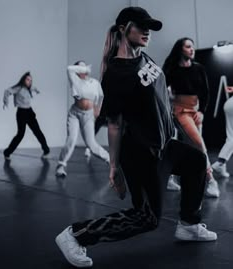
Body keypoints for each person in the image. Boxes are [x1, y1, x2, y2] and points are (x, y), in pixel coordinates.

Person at [55, 7, 217, 268]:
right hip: (141, 153)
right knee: (147, 218)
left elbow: (159, 98)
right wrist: (114, 167)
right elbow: (115, 125)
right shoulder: (116, 75)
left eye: (149, 28)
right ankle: (75, 235)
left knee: (197, 161)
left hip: (165, 144)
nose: (147, 32)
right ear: (123, 28)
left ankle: (189, 225)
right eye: (141, 26)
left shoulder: (145, 58)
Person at [163, 37, 220, 198]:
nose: (192, 49)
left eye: (192, 47)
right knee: (199, 145)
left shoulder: (198, 68)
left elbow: (206, 93)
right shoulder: (172, 69)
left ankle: (170, 176)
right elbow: (161, 88)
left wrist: (201, 111)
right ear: (180, 49)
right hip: (180, 111)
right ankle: (211, 180)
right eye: (188, 47)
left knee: (185, 145)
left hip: (195, 111)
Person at [55, 61, 109, 177]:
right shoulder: (75, 80)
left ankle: (111, 161)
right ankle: (60, 166)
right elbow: (69, 68)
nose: (83, 70)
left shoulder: (94, 83)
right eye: (79, 68)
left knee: (91, 145)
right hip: (74, 113)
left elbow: (101, 96)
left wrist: (97, 108)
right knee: (71, 139)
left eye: (84, 67)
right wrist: (82, 68)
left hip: (88, 115)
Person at [3, 72, 50, 160]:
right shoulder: (18, 88)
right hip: (21, 113)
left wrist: (37, 91)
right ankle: (7, 153)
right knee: (20, 134)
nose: (29, 82)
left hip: (29, 112)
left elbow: (34, 88)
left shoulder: (30, 88)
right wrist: (5, 102)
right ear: (23, 80)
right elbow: (7, 91)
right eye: (28, 80)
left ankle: (46, 150)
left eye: (31, 80)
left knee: (37, 131)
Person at [212, 86, 233, 177]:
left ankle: (221, 164)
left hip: (229, 104)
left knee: (231, 136)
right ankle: (220, 163)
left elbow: (231, 88)